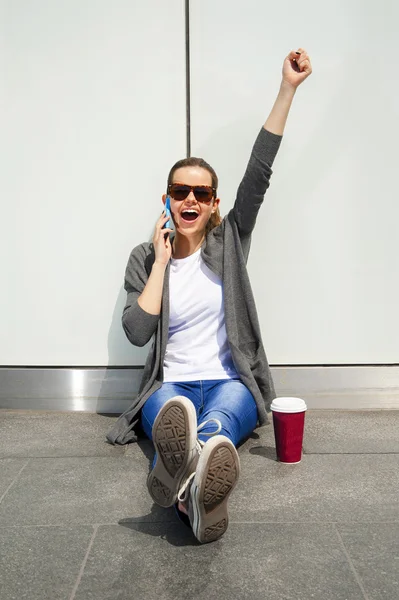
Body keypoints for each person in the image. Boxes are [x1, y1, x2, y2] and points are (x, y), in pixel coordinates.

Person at [107, 49, 312, 543]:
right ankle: (199, 495)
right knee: (178, 420)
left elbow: (259, 172)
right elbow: (137, 334)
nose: (190, 200)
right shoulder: (143, 256)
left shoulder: (229, 244)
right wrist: (161, 262)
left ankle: (178, 475)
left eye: (201, 193)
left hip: (229, 382)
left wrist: (287, 89)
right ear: (167, 200)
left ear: (215, 203)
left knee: (218, 419)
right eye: (180, 192)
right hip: (170, 390)